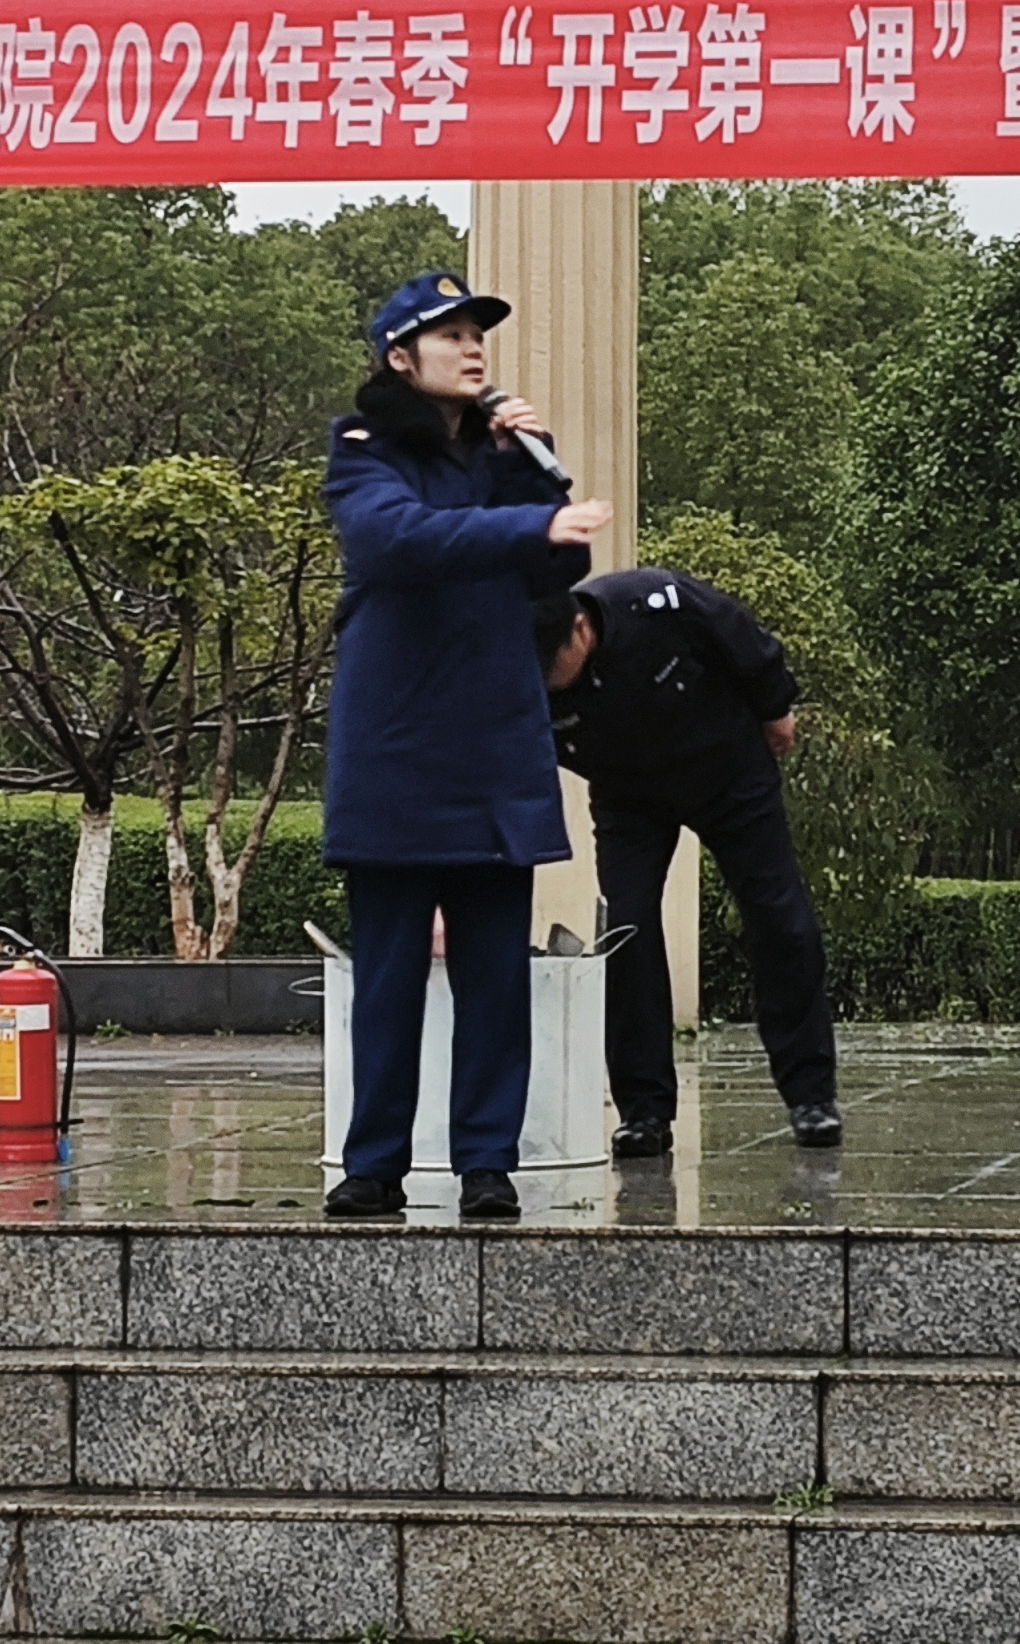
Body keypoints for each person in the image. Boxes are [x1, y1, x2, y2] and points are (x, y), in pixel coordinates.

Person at [319, 271, 609, 1222]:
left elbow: (561, 562)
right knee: (389, 980)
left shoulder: (497, 454)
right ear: (401, 357)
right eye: (450, 333)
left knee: (495, 979)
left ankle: (488, 1162)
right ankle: (374, 1165)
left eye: (479, 331)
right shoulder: (364, 452)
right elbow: (396, 541)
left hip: (493, 749)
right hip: (398, 755)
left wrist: (529, 469)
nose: (473, 345)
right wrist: (530, 519)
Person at [537, 568, 844, 1155]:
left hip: (727, 771)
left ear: (579, 628)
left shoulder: (654, 603)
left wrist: (775, 707)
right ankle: (644, 1111)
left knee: (780, 919)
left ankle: (811, 1096)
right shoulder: (521, 671)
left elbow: (740, 636)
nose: (547, 684)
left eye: (553, 667)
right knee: (628, 931)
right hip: (627, 796)